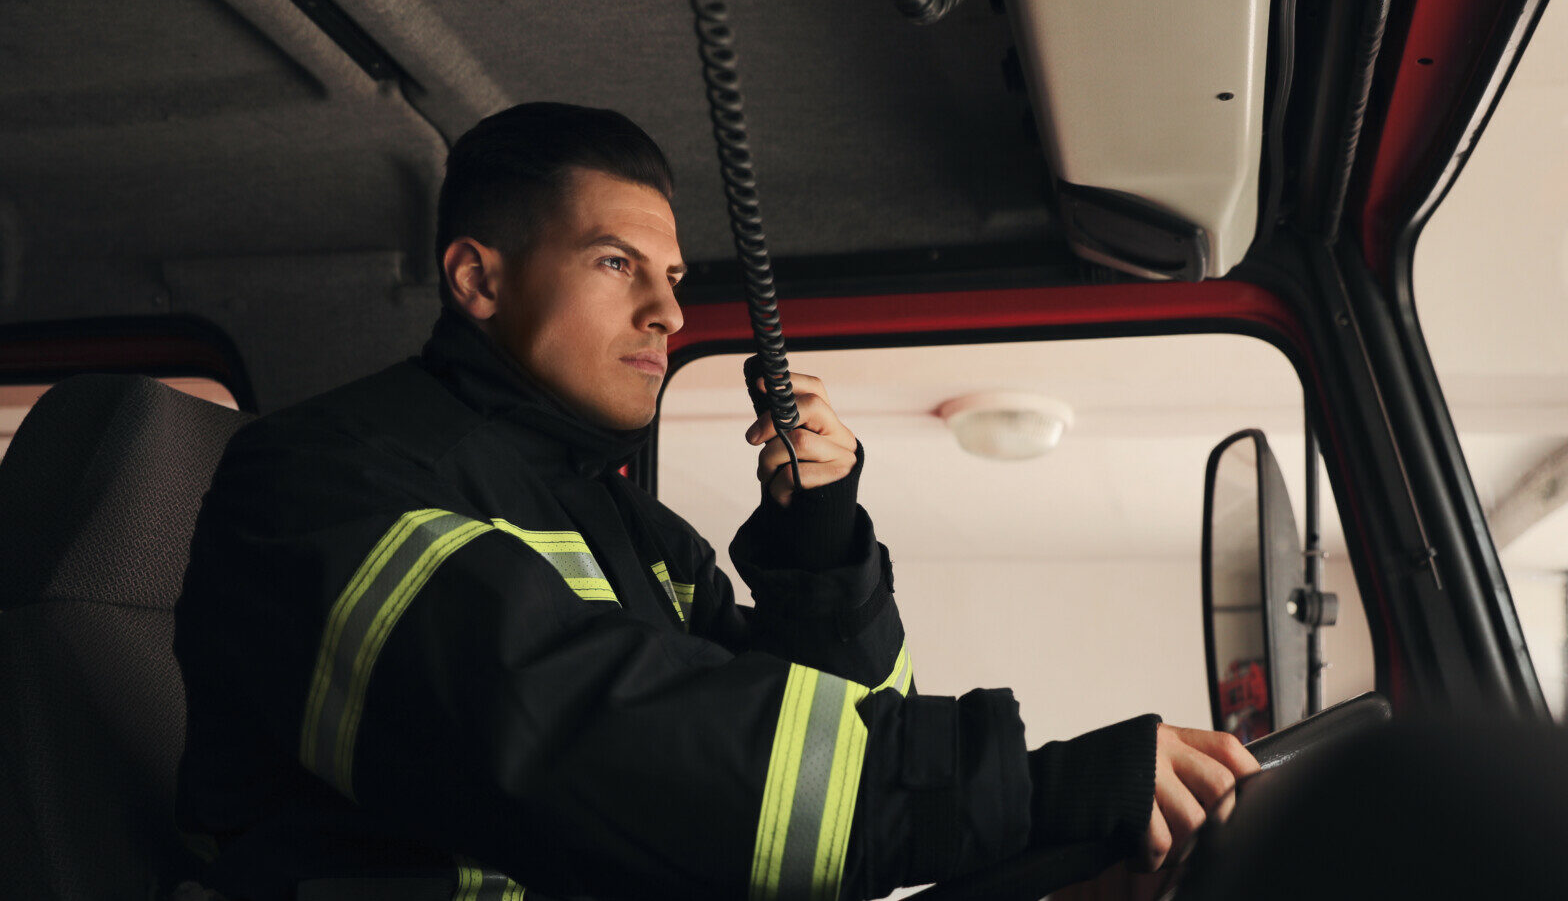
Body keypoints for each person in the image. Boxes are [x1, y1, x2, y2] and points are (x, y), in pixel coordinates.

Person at [173, 102, 1256, 901]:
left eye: (675, 277)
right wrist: (1031, 789)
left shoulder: (640, 532)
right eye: (617, 263)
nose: (668, 313)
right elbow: (579, 743)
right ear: (479, 279)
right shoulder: (321, 478)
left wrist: (818, 544)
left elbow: (815, 752)